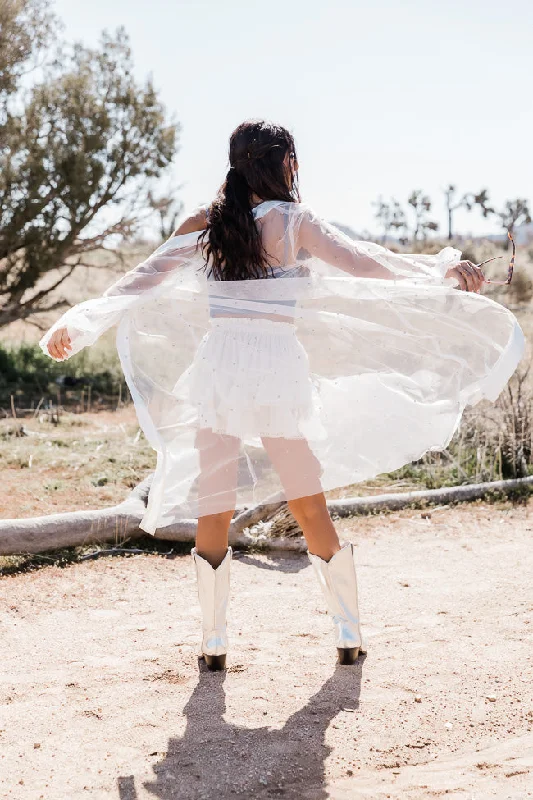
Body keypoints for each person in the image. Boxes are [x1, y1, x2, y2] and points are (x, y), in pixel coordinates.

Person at [41, 120, 525, 671]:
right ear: (282, 162)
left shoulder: (204, 223)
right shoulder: (293, 222)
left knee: (215, 499)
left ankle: (213, 643)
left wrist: (78, 324)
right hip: (275, 367)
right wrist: (442, 274)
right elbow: (368, 265)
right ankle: (347, 633)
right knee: (305, 495)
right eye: (293, 159)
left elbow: (139, 280)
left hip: (221, 365)